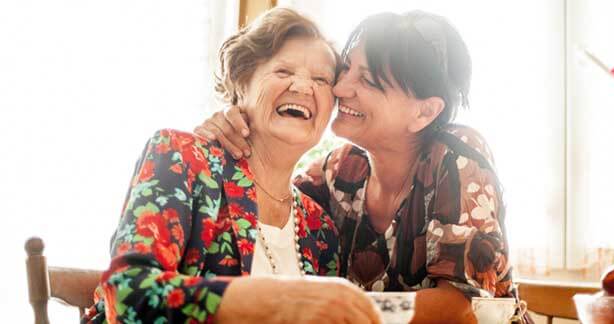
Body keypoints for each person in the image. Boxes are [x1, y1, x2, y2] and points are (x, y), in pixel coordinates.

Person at [197, 10, 531, 324]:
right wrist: (238, 123)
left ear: (424, 113)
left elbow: (459, 306)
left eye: (368, 80)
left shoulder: (457, 156)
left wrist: (338, 305)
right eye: (346, 69)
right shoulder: (339, 169)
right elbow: (269, 194)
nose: (339, 88)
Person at [83, 8, 380, 324]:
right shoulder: (182, 157)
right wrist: (269, 298)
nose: (303, 87)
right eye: (283, 71)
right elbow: (126, 294)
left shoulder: (321, 228)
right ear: (241, 84)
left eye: (321, 79)